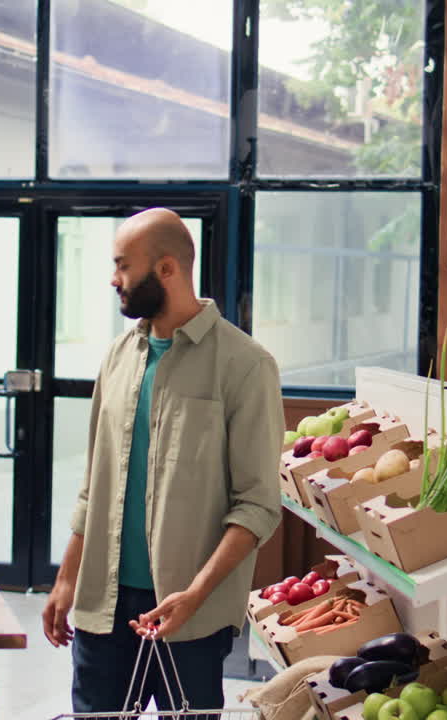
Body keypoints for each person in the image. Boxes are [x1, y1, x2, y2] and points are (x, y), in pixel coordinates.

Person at [42, 208, 284, 715]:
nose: (114, 279)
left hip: (189, 617)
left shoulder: (245, 364)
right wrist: (67, 578)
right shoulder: (117, 356)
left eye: (123, 265)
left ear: (167, 269)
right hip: (102, 607)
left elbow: (257, 506)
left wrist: (194, 595)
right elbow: (96, 483)